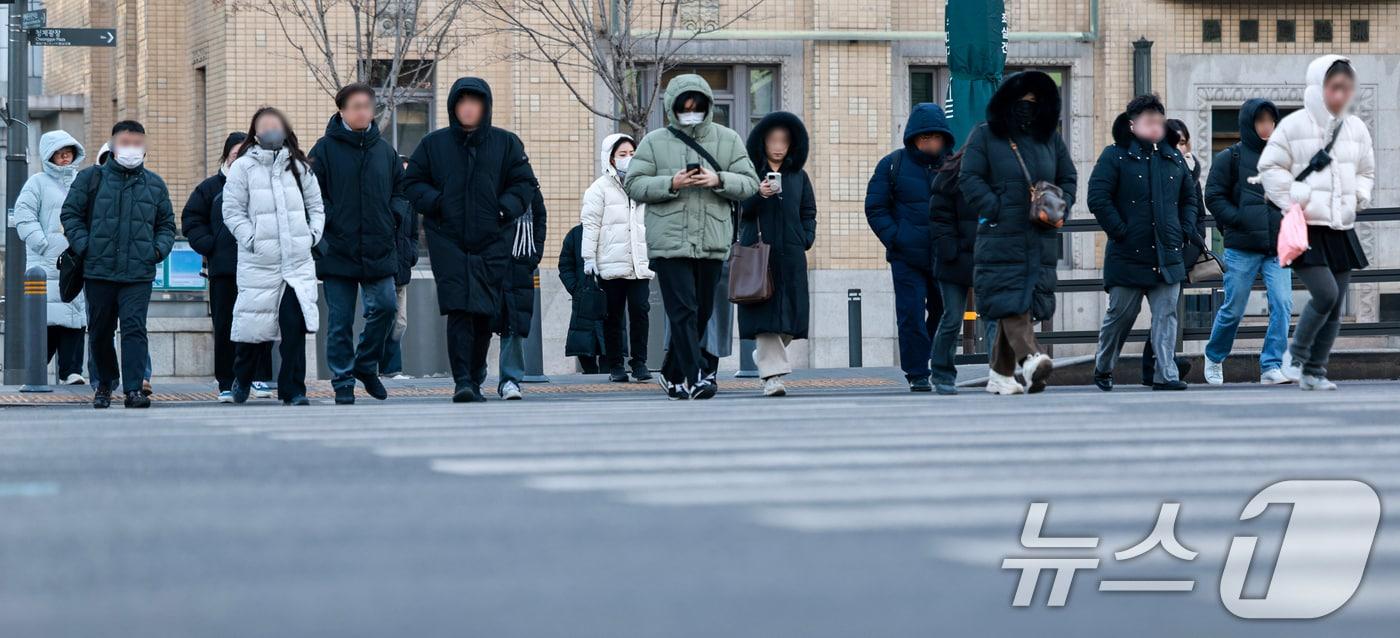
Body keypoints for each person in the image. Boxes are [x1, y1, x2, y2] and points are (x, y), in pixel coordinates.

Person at [623, 74, 760, 400]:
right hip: (669, 242)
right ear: (672, 107)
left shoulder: (728, 139)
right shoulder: (655, 141)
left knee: (700, 312)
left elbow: (750, 183)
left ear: (706, 106)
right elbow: (634, 184)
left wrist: (718, 179)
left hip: (712, 241)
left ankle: (673, 374)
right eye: (683, 106)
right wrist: (672, 183)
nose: (690, 111)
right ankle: (697, 375)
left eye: (695, 105)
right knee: (682, 310)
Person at [403, 77, 537, 403]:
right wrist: (438, 204)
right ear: (453, 107)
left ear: (485, 107)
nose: (468, 108)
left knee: (484, 312)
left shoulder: (506, 144)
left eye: (474, 102)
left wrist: (503, 211)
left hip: (492, 240)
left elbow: (523, 184)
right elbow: (412, 182)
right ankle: (462, 381)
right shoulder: (434, 145)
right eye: (462, 102)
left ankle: (476, 377)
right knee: (459, 309)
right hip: (447, 240)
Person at [1259, 55, 1374, 391]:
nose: (1341, 95)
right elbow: (1270, 168)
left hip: (1340, 225)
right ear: (1318, 87)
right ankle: (1294, 356)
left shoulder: (1356, 128)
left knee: (1336, 306)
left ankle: (1315, 371)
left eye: (1347, 88)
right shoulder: (1293, 125)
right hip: (1306, 226)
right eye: (1334, 87)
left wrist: (1358, 197)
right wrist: (1296, 192)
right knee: (1324, 295)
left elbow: (1365, 170)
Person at [959, 71, 1077, 395]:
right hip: (1001, 235)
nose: (1028, 107)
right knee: (1011, 300)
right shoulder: (985, 135)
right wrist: (996, 207)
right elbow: (968, 178)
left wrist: (1060, 204)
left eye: (1035, 102)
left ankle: (1000, 373)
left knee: (1022, 300)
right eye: (1022, 101)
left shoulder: (1050, 139)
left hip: (1040, 234)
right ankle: (1030, 359)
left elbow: (1068, 177)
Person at [60, 120, 176, 409]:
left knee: (135, 329)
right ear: (112, 146)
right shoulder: (91, 179)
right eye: (126, 143)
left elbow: (166, 225)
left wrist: (156, 251)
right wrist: (86, 245)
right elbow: (70, 214)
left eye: (137, 144)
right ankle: (104, 384)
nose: (132, 149)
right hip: (98, 270)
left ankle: (134, 389)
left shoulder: (155, 184)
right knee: (100, 331)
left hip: (138, 272)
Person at [1089, 95, 1198, 392]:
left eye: (1159, 122)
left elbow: (1190, 198)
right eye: (1149, 121)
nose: (1155, 127)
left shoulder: (1173, 157)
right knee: (1121, 315)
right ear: (1132, 124)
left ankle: (1165, 373)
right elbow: (1097, 198)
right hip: (1128, 254)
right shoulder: (1115, 155)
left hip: (1168, 252)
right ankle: (1104, 365)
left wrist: (1184, 228)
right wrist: (1120, 231)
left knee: (1166, 315)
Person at [309, 83, 406, 404]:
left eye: (367, 105)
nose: (363, 111)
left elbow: (400, 192)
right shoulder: (323, 150)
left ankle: (365, 364)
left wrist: (394, 216)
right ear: (342, 111)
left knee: (386, 307)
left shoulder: (384, 150)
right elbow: (310, 196)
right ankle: (343, 381)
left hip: (378, 246)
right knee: (339, 322)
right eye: (356, 106)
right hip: (337, 248)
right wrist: (326, 229)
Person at [222, 107, 325, 406]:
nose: (271, 129)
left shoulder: (299, 166)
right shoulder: (243, 167)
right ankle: (241, 378)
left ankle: (293, 390)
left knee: (293, 328)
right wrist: (251, 238)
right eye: (264, 125)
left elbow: (316, 205)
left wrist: (312, 235)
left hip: (296, 263)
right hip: (260, 263)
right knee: (254, 332)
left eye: (275, 124)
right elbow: (232, 211)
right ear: (255, 131)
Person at [1202, 99, 1294, 386]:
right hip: (1241, 246)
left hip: (1277, 245)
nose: (1267, 127)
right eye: (1261, 121)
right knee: (1234, 307)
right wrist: (1237, 218)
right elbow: (1213, 195)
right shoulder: (1230, 157)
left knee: (1282, 303)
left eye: (1271, 121)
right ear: (1248, 124)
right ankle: (1215, 357)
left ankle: (1271, 365)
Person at [864, 103, 953, 392]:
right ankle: (917, 372)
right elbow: (875, 207)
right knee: (911, 314)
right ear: (913, 137)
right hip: (907, 257)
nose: (930, 144)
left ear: (944, 138)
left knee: (945, 314)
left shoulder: (955, 165)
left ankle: (934, 360)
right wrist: (896, 237)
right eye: (924, 138)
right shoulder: (893, 164)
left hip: (945, 256)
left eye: (935, 138)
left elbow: (967, 207)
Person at [182, 132, 275, 402]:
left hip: (259, 266)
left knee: (261, 323)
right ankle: (226, 381)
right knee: (225, 325)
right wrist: (209, 244)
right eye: (236, 154)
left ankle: (257, 377)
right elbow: (191, 219)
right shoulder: (210, 188)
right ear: (226, 156)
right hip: (224, 269)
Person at [737, 112, 816, 397]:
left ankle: (766, 357)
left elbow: (809, 212)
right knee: (766, 318)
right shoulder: (749, 173)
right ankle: (772, 377)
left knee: (789, 323)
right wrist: (759, 194)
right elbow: (740, 211)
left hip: (792, 256)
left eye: (784, 140)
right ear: (763, 142)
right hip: (759, 257)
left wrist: (806, 238)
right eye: (773, 140)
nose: (779, 146)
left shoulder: (799, 176)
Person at [1133, 118, 1204, 386]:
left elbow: (1197, 213)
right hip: (1160, 252)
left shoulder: (1192, 170)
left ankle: (1159, 366)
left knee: (1167, 312)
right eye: (1176, 141)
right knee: (1163, 312)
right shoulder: (1159, 168)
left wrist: (1192, 248)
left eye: (1184, 141)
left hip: (1183, 254)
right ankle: (1158, 366)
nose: (1181, 147)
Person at [14, 130, 88, 385]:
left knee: (74, 314)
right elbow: (23, 215)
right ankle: (34, 372)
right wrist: (42, 244)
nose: (65, 158)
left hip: (75, 259)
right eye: (59, 153)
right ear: (49, 156)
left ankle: (71, 371)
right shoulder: (37, 182)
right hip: (45, 262)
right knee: (45, 316)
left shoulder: (82, 181)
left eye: (68, 153)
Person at [581, 133, 654, 383]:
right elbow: (590, 225)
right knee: (613, 316)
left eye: (632, 154)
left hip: (639, 263)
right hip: (610, 263)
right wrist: (588, 258)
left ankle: (640, 363)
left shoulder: (643, 185)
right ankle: (615, 365)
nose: (628, 159)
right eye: (622, 155)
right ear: (610, 158)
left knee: (640, 311)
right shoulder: (598, 189)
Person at [927, 148, 997, 395]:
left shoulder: (993, 176)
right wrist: (950, 250)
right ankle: (941, 374)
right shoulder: (947, 178)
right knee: (952, 318)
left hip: (985, 258)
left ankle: (999, 374)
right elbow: (939, 218)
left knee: (992, 318)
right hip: (953, 260)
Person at [482, 187, 547, 400]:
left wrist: (534, 255)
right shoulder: (484, 181)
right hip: (488, 265)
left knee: (514, 326)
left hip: (519, 265)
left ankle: (510, 381)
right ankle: (473, 378)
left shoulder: (529, 190)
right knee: (479, 325)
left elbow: (540, 219)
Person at [380, 155, 420, 380]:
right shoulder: (384, 199)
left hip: (403, 270)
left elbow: (413, 235)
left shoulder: (409, 204)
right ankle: (387, 368)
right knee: (384, 318)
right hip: (384, 269)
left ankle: (388, 368)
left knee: (400, 322)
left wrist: (412, 255)